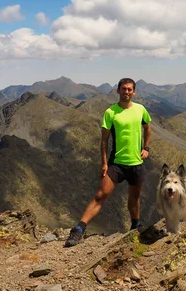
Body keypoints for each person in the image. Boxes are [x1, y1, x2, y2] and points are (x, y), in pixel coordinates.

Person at [64, 77, 152, 247]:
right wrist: (104, 163)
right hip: (116, 163)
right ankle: (79, 230)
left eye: (129, 89)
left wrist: (146, 148)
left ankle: (135, 224)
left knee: (134, 198)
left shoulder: (141, 110)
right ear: (118, 90)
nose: (126, 92)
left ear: (134, 92)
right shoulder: (110, 113)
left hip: (136, 163)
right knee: (100, 195)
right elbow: (104, 141)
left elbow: (147, 128)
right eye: (123, 89)